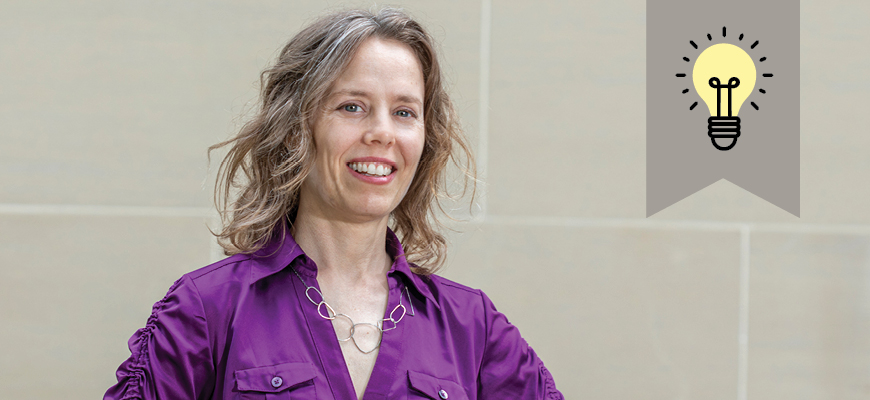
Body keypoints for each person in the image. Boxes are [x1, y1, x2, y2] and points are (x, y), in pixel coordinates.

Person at [105, 7, 563, 400]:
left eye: (404, 112)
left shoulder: (472, 327)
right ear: (294, 128)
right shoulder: (206, 308)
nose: (382, 132)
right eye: (352, 106)